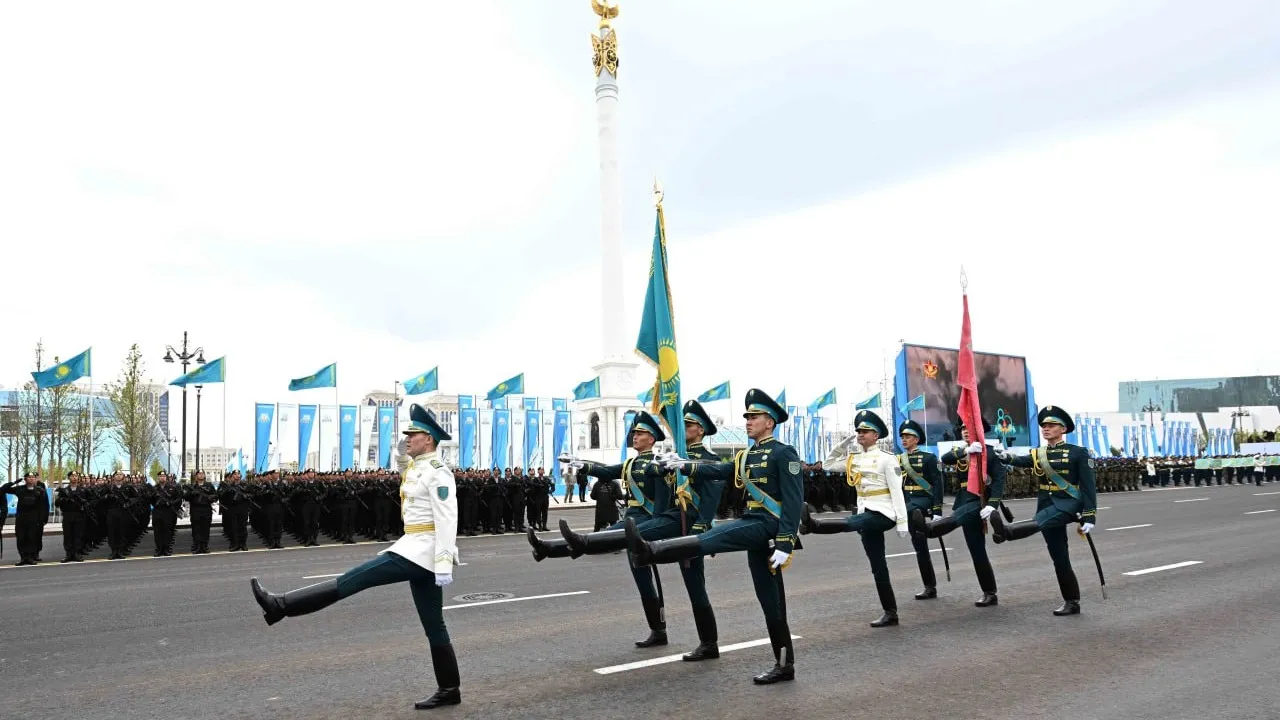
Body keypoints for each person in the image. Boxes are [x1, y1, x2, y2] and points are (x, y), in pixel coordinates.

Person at [250, 404, 464, 710]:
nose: (408, 438)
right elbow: (404, 467)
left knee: (354, 580)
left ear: (428, 439)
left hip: (423, 551)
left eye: (413, 435)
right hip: (415, 548)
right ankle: (450, 688)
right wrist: (403, 451)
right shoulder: (419, 467)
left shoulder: (439, 473)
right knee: (434, 624)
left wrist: (443, 563)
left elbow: (447, 519)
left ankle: (281, 605)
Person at [628, 389, 803, 684]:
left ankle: (653, 550)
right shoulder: (745, 455)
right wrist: (684, 466)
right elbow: (719, 470)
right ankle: (785, 665)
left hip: (768, 525)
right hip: (755, 526)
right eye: (747, 417)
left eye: (754, 417)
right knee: (769, 601)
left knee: (719, 535)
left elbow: (794, 501)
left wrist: (786, 542)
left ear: (770, 422)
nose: (748, 421)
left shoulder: (783, 453)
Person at [564, 400, 727, 660]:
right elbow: (638, 475)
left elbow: (710, 498)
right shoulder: (674, 457)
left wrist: (702, 526)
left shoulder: (710, 460)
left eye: (688, 424)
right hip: (674, 519)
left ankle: (709, 643)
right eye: (681, 424)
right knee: (635, 548)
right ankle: (574, 545)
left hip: (689, 525)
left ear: (701, 430)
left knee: (695, 585)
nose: (682, 428)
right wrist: (582, 464)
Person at [530, 411, 674, 648]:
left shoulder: (657, 465)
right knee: (641, 580)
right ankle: (547, 548)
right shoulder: (630, 464)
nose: (634, 436)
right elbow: (606, 472)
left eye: (640, 433)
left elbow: (662, 501)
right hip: (631, 520)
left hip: (644, 523)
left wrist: (655, 528)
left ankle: (659, 631)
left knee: (604, 544)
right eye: (634, 433)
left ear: (651, 438)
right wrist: (581, 464)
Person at [799, 410, 909, 627]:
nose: (860, 434)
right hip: (865, 511)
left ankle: (814, 525)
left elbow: (897, 491)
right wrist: (842, 445)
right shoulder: (854, 458)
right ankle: (891, 613)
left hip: (884, 513)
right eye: (858, 431)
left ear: (876, 435)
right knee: (878, 566)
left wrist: (902, 522)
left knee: (852, 523)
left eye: (865, 431)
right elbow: (828, 464)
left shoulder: (887, 459)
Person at [990, 406, 1097, 616]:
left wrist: (1090, 514)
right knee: (1059, 557)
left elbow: (1088, 486)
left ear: (1063, 429)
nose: (1046, 428)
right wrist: (1004, 456)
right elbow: (1022, 461)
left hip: (1067, 504)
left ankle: (1006, 532)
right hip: (1046, 503)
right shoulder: (1039, 452)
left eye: (1051, 425)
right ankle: (1072, 601)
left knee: (1040, 521)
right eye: (1044, 426)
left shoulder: (1078, 452)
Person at [908, 418, 1005, 608]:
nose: (965, 431)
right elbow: (945, 458)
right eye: (962, 428)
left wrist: (993, 504)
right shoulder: (961, 451)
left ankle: (931, 530)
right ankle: (990, 592)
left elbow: (999, 479)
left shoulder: (990, 452)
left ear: (979, 430)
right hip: (963, 500)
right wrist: (966, 451)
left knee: (958, 518)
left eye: (969, 428)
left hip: (980, 501)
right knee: (977, 550)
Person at [2, 472, 50, 565]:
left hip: (34, 518)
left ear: (35, 479)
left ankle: (30, 557)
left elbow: (42, 506)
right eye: (29, 477)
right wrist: (14, 482)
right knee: (21, 537)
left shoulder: (40, 490)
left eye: (33, 477)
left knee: (32, 537)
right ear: (25, 479)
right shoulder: (20, 489)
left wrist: (42, 519)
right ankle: (23, 557)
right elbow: (3, 489)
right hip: (21, 518)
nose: (31, 479)